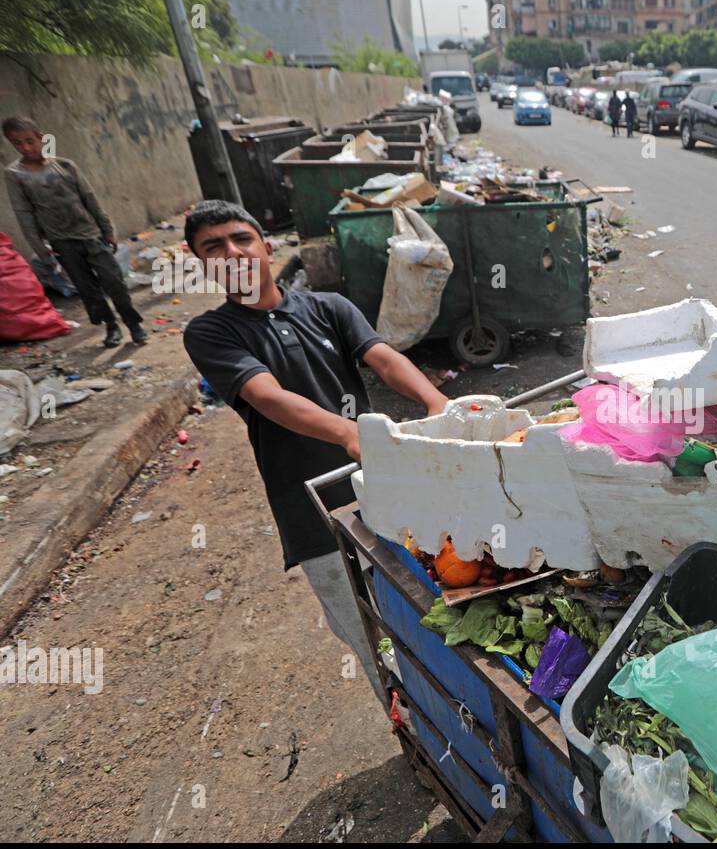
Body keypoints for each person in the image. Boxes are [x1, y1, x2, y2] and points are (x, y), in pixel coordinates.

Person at [181, 200, 449, 703]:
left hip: (385, 493)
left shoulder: (329, 307)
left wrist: (435, 400)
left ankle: (458, 720)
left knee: (430, 607)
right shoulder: (211, 333)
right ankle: (412, 727)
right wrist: (351, 436)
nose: (232, 253)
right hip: (313, 513)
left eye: (241, 239)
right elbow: (268, 397)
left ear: (265, 245)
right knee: (368, 631)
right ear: (200, 263)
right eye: (213, 247)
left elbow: (384, 359)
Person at [3, 116, 146, 347]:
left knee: (114, 282)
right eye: (18, 143)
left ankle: (134, 324)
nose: (26, 148)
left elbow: (90, 198)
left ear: (41, 138)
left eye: (30, 141)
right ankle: (111, 326)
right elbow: (24, 214)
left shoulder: (65, 166)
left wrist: (107, 229)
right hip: (61, 242)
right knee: (87, 290)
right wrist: (41, 250)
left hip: (91, 235)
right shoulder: (15, 174)